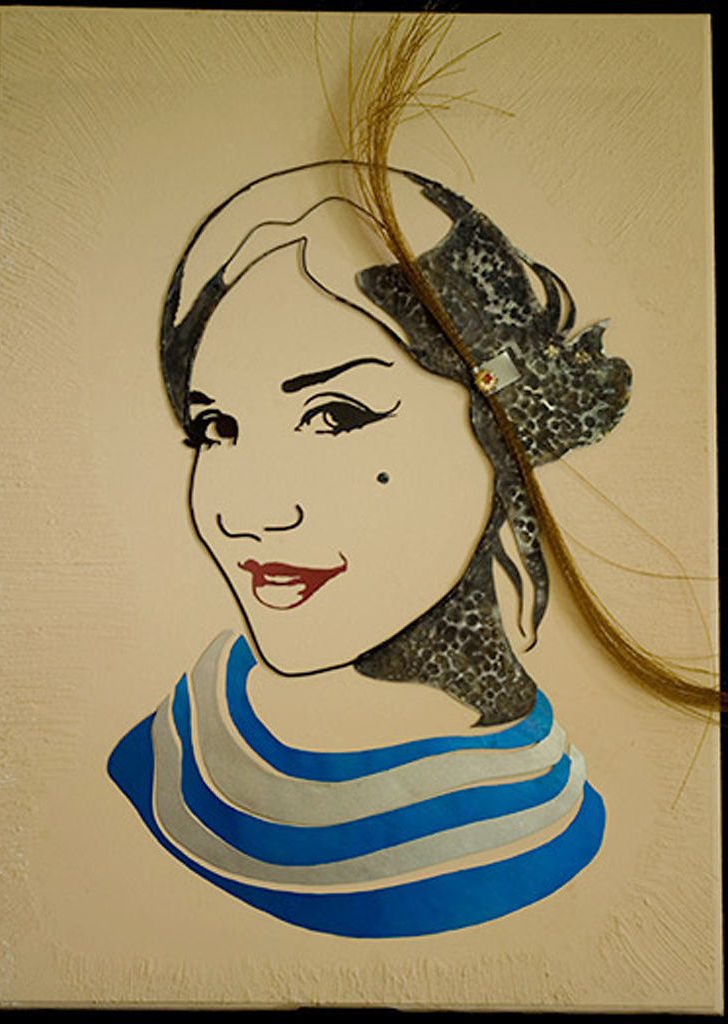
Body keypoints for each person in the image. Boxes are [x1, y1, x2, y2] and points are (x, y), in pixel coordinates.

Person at [108, 161, 632, 937]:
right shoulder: (172, 752)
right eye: (215, 427)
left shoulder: (544, 819)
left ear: (503, 428)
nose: (247, 513)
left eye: (334, 415)